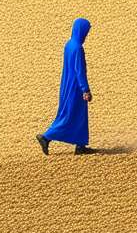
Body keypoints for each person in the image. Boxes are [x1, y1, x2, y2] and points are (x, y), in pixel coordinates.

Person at [36, 18, 94, 155]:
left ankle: (80, 145)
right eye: (86, 32)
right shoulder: (78, 48)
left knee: (79, 115)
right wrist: (85, 89)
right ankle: (46, 137)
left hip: (67, 84)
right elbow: (79, 70)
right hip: (76, 87)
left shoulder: (69, 45)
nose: (86, 35)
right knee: (69, 115)